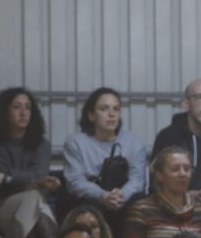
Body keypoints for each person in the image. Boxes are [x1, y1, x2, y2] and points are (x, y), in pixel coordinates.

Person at [0, 88, 58, 238]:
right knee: (35, 199)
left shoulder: (42, 144)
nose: (23, 112)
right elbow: (34, 179)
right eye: (16, 107)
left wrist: (4, 176)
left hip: (34, 206)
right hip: (1, 208)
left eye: (28, 107)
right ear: (5, 112)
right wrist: (31, 181)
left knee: (36, 206)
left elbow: (39, 174)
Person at [123, 147, 201, 238]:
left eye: (187, 169)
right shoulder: (141, 209)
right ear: (159, 175)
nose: (182, 174)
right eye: (175, 169)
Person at [63, 87, 150, 215]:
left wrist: (121, 195)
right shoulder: (75, 143)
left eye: (116, 109)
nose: (111, 114)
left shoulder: (135, 143)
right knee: (86, 206)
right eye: (104, 109)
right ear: (91, 115)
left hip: (123, 199)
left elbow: (137, 180)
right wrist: (102, 195)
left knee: (139, 205)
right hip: (91, 200)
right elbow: (76, 182)